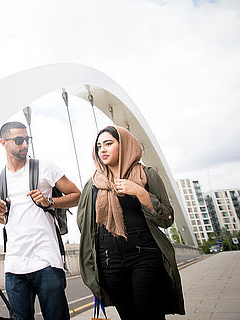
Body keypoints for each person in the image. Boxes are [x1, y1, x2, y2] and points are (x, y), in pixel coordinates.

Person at [77, 125, 185, 320]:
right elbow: (85, 225)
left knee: (148, 314)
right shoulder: (92, 185)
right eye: (99, 146)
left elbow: (166, 218)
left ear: (125, 145)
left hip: (144, 256)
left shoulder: (147, 175)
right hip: (109, 261)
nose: (102, 149)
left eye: (109, 144)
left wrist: (139, 192)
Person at [0, 121, 80, 320]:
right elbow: (1, 219)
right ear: (3, 143)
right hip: (14, 265)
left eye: (27, 139)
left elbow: (77, 195)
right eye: (18, 140)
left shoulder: (45, 168)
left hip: (47, 260)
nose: (25, 144)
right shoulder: (0, 178)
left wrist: (49, 201)